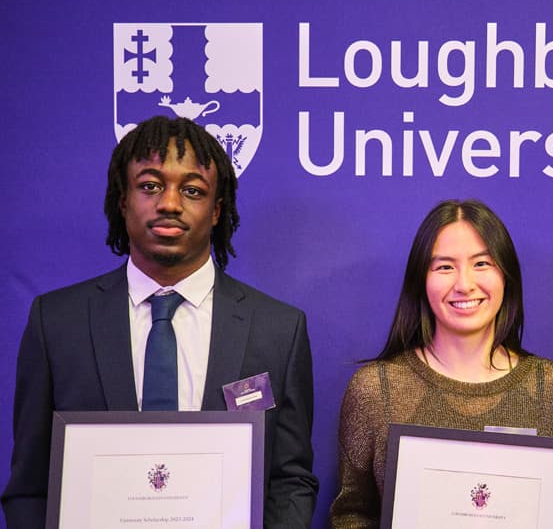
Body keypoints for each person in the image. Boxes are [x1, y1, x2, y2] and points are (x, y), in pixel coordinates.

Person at [2, 116, 319, 528]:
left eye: (192, 190)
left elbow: (289, 481)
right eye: (150, 186)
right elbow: (30, 486)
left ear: (217, 210)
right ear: (122, 200)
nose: (169, 203)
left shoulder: (278, 330)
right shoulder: (57, 323)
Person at [329, 199, 553, 527]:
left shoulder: (551, 389)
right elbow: (351, 515)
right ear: (421, 280)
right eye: (444, 266)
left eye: (482, 263)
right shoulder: (375, 389)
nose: (464, 284)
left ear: (506, 275)